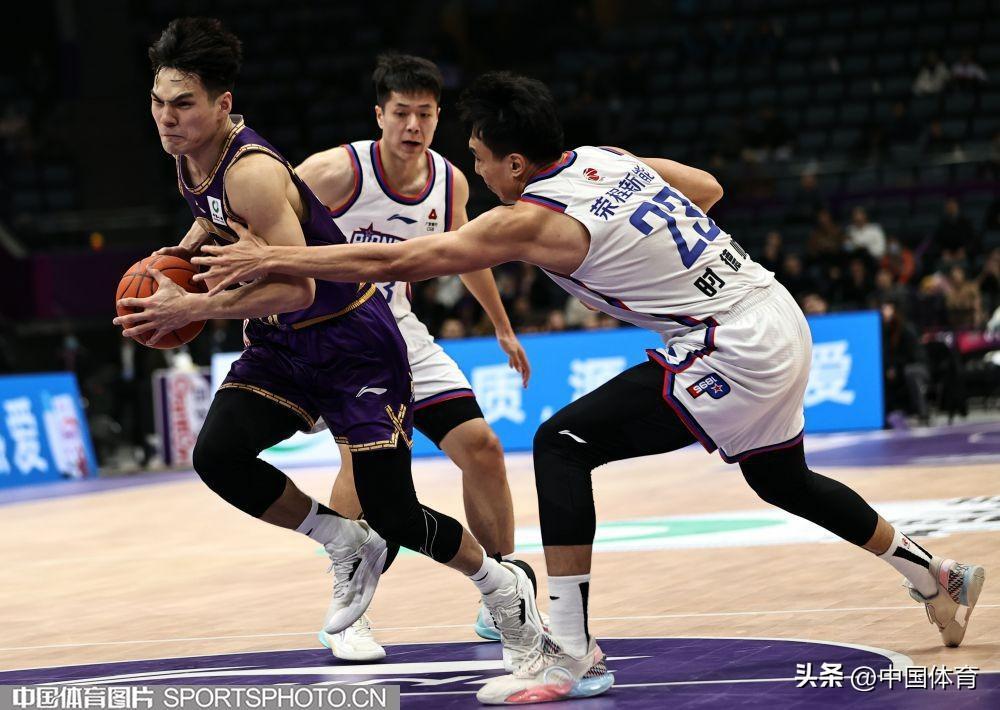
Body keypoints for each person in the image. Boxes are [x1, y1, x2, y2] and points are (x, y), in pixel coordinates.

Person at [193, 71, 986, 705]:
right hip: (773, 311)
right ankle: (935, 575)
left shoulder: (527, 221)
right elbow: (708, 188)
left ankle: (571, 654)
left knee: (563, 442)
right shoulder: (607, 158)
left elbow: (397, 262)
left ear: (514, 164)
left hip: (730, 343)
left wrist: (276, 257)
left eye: (480, 157)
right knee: (782, 480)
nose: (474, 170)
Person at [112, 20, 541, 670]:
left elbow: (299, 287)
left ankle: (498, 583)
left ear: (223, 105)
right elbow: (214, 214)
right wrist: (183, 252)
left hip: (353, 340)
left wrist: (194, 305)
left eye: (183, 104)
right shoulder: (188, 155)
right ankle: (342, 541)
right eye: (158, 102)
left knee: (395, 512)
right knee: (218, 456)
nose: (167, 118)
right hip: (283, 343)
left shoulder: (253, 172)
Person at [292, 53, 531, 660]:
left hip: (399, 330)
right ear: (380, 115)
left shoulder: (449, 182)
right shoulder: (333, 171)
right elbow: (264, 223)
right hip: (332, 333)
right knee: (360, 461)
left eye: (424, 113)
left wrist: (501, 326)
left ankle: (501, 593)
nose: (413, 125)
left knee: (483, 448)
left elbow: (468, 252)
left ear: (437, 116)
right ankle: (347, 615)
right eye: (401, 112)